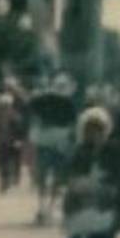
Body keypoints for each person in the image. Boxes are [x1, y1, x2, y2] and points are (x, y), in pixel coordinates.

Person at [61, 105, 120, 238]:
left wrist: (112, 191)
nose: (94, 134)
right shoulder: (79, 153)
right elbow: (70, 178)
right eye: (90, 130)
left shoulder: (115, 151)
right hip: (82, 208)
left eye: (98, 130)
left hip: (109, 209)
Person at [28, 74, 78, 224]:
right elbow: (72, 124)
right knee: (55, 176)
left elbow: (32, 109)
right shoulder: (67, 102)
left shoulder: (46, 99)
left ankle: (45, 208)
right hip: (57, 142)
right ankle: (46, 208)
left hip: (47, 141)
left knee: (46, 175)